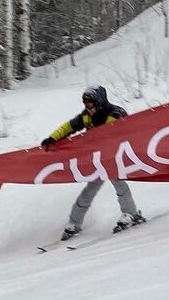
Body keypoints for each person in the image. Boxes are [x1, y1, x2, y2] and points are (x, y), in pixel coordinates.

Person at [40, 85, 145, 239]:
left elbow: (118, 133)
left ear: (99, 102)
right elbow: (69, 127)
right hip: (99, 161)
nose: (88, 108)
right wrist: (53, 138)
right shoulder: (86, 116)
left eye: (90, 104)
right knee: (89, 190)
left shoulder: (115, 113)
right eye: (85, 104)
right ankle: (74, 223)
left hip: (115, 158)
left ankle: (131, 214)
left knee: (119, 184)